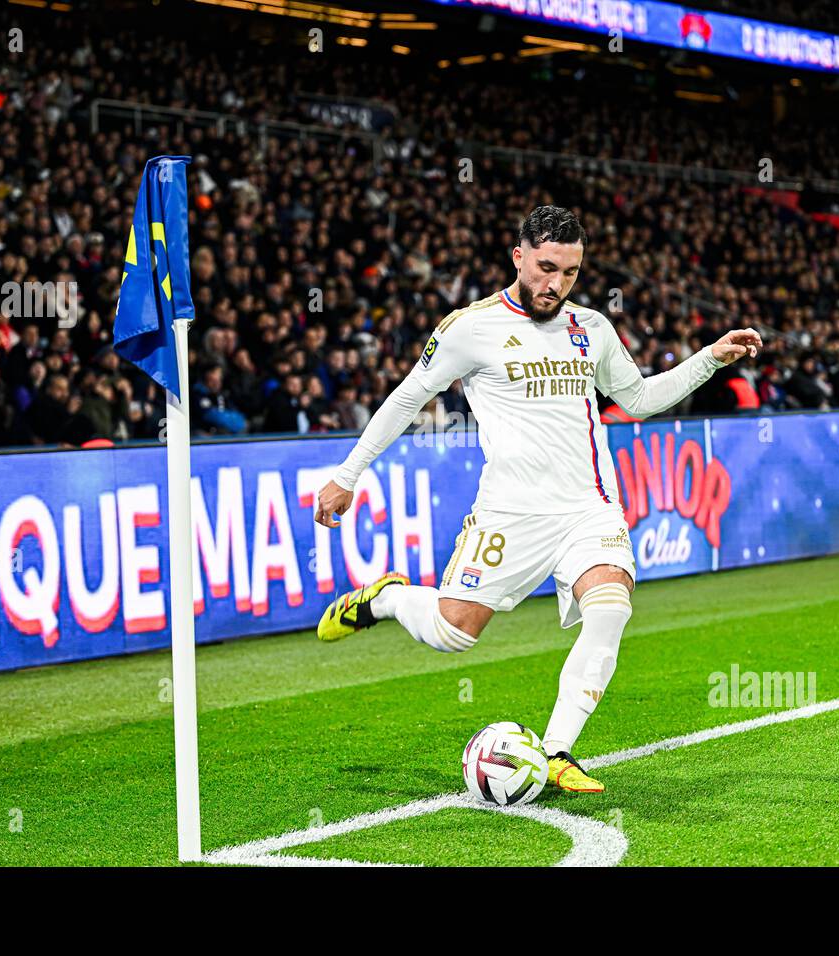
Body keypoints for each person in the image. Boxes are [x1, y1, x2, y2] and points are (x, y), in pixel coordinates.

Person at [312, 206, 761, 793]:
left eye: (570, 273)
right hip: (511, 511)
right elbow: (405, 399)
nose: (556, 284)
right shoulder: (470, 328)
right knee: (455, 632)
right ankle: (392, 597)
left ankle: (556, 751)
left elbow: (643, 398)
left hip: (587, 507)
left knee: (611, 607)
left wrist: (710, 358)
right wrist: (348, 474)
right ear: (518, 256)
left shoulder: (593, 329)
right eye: (546, 267)